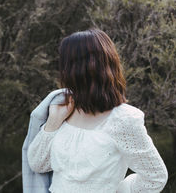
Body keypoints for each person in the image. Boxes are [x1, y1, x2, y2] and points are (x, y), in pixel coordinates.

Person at [27, 28, 168, 193]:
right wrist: (52, 123)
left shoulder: (123, 120)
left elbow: (155, 176)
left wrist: (119, 190)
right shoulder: (65, 108)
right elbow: (38, 164)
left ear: (75, 69)